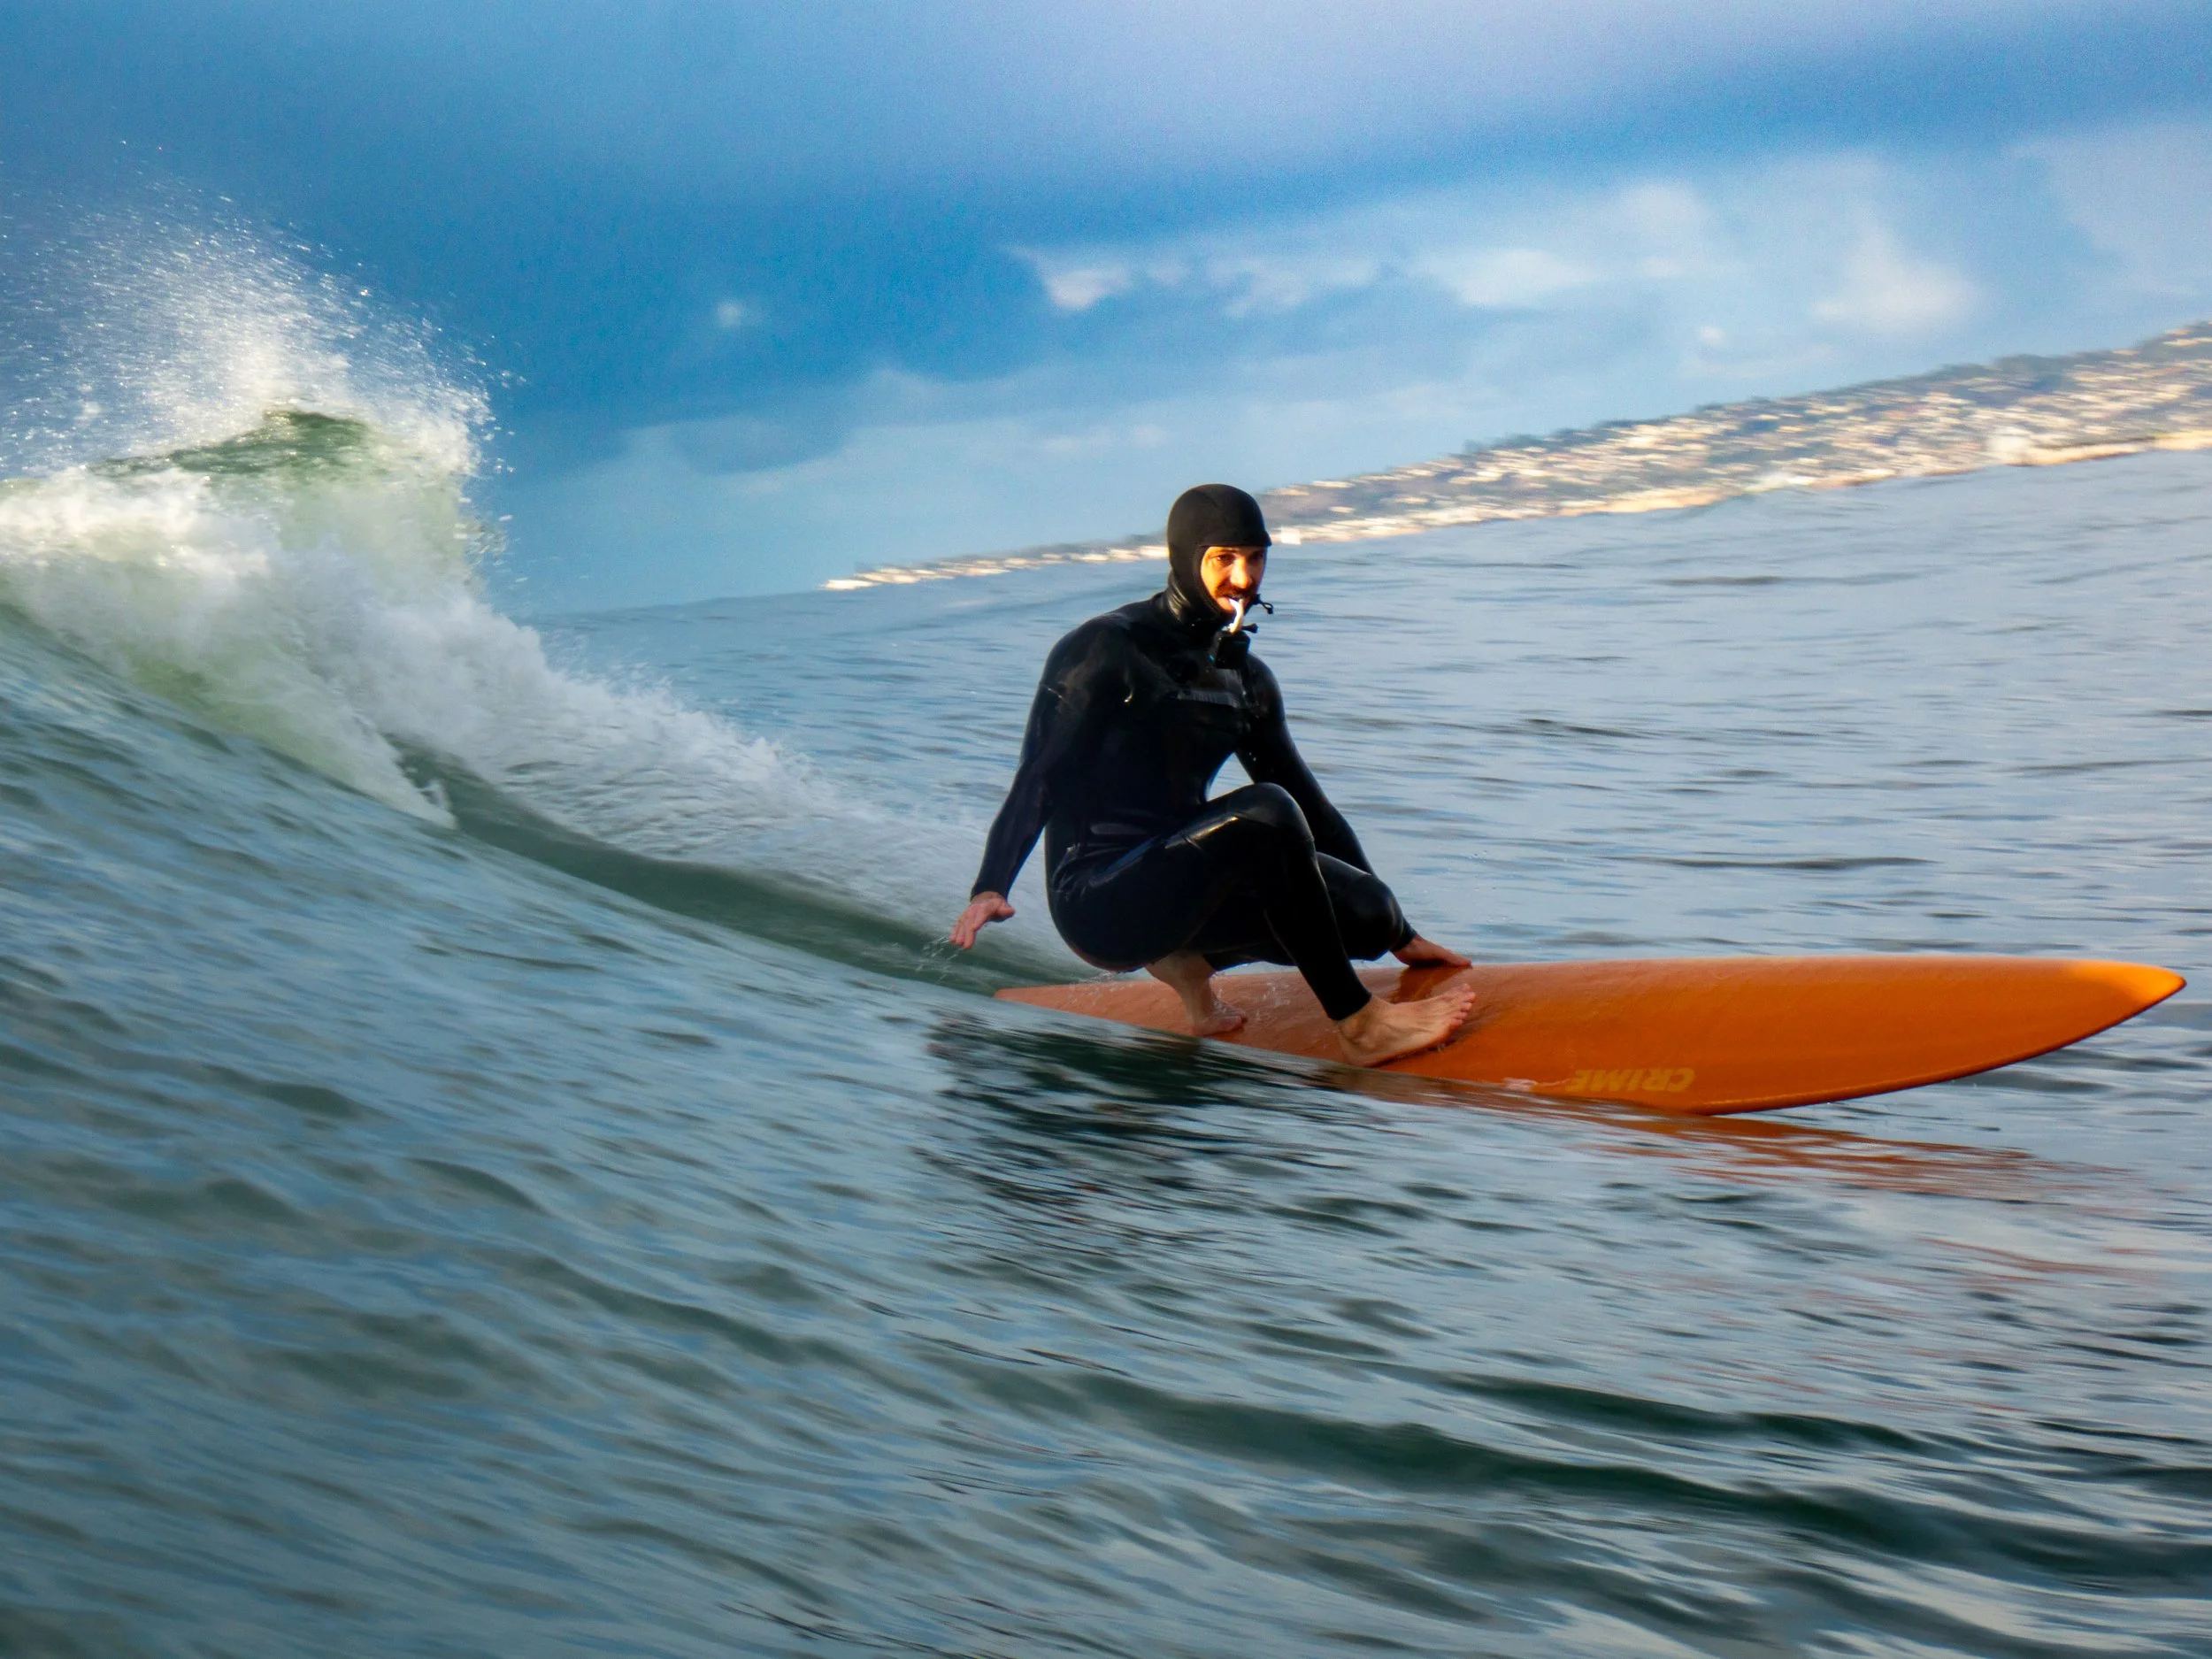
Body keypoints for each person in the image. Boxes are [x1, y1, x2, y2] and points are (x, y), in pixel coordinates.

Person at [949, 483, 1477, 1065]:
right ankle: (1358, 1022)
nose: (1244, 577)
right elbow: (1038, 779)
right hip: (1098, 897)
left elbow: (1315, 809)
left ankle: (1190, 964)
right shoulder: (1105, 649)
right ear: (1184, 558)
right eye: (1224, 559)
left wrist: (1401, 932)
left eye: (1255, 557)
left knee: (1367, 914)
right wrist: (990, 884)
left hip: (1181, 886)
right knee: (1267, 814)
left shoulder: (1246, 682)